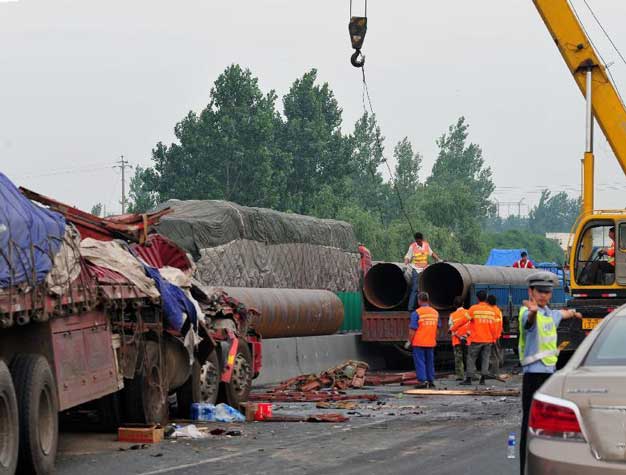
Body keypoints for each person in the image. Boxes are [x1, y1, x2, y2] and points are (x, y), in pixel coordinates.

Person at [518, 271, 582, 475]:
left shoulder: (550, 314)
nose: (543, 295)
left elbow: (562, 314)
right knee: (529, 427)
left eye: (547, 292)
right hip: (533, 378)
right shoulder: (527, 313)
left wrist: (574, 313)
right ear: (531, 292)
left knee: (550, 428)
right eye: (539, 292)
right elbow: (528, 323)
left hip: (550, 377)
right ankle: (525, 469)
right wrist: (533, 312)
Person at [460, 290, 498, 386]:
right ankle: (483, 379)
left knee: (471, 358)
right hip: (488, 339)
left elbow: (463, 321)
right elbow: (493, 327)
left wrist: (453, 328)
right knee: (485, 359)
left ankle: (469, 379)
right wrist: (494, 339)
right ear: (486, 298)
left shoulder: (473, 309)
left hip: (476, 339)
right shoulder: (491, 311)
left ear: (477, 298)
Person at [407, 292, 439, 389]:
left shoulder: (416, 313)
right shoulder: (435, 312)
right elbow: (437, 329)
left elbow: (412, 329)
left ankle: (422, 381)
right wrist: (434, 338)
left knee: (420, 361)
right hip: (430, 342)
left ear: (419, 301)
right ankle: (431, 380)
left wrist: (409, 341)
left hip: (419, 342)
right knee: (430, 361)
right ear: (428, 300)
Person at [404, 232, 441, 311]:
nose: (418, 242)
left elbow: (432, 254)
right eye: (417, 241)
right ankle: (410, 308)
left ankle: (427, 306)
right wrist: (405, 265)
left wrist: (438, 259)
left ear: (422, 240)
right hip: (416, 269)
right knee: (415, 288)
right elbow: (407, 257)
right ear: (415, 240)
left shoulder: (426, 245)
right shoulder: (412, 246)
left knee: (426, 287)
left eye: (419, 241)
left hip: (425, 269)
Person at [448, 296, 471, 381]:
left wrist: (459, 337)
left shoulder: (452, 315)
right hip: (468, 340)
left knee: (458, 358)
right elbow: (472, 327)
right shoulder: (468, 313)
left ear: (454, 305)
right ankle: (470, 374)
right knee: (469, 357)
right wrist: (465, 336)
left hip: (457, 340)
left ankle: (460, 375)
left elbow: (451, 329)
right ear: (463, 304)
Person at [487, 294, 503, 375]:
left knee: (489, 355)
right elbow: (500, 325)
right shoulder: (498, 311)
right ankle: (495, 372)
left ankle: (490, 372)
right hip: (497, 336)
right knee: (495, 354)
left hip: (490, 336)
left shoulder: (490, 312)